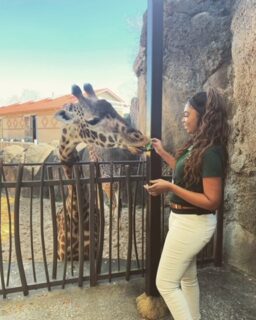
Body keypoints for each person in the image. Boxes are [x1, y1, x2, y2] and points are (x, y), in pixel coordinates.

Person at [145, 87, 229, 320]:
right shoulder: (197, 146)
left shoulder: (211, 151)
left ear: (202, 116)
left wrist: (169, 187)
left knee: (165, 283)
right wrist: (163, 153)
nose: (183, 119)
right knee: (186, 278)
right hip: (183, 221)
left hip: (192, 225)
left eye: (186, 114)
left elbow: (212, 201)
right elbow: (186, 175)